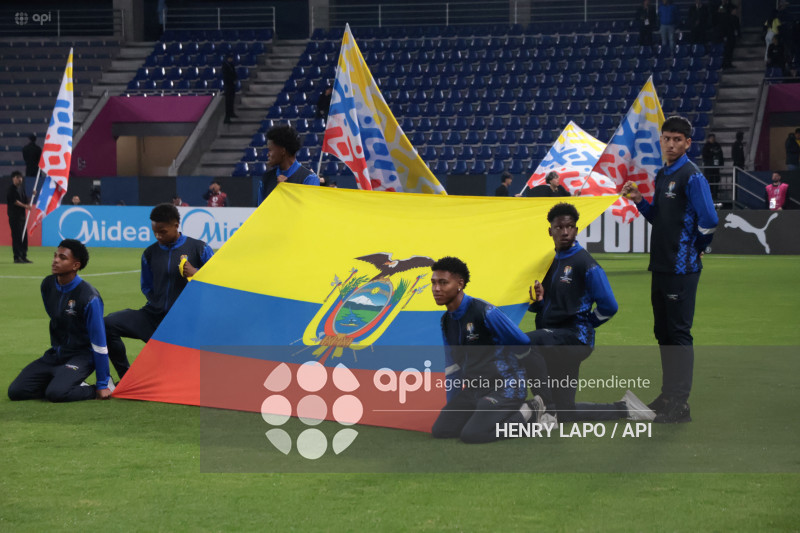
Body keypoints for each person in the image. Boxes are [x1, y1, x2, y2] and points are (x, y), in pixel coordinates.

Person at [622, 115, 719, 424]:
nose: (671, 144)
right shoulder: (663, 174)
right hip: (661, 266)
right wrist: (640, 201)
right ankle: (667, 396)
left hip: (682, 269)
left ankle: (679, 404)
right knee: (663, 333)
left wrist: (698, 246)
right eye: (667, 138)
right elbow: (660, 219)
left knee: (678, 334)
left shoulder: (692, 176)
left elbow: (710, 219)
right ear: (660, 140)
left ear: (688, 143)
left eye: (678, 139)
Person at [521, 203, 654, 423]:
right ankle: (624, 409)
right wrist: (539, 302)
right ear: (550, 231)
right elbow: (544, 304)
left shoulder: (585, 263)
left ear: (576, 229)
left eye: (570, 227)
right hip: (553, 340)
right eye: (559, 227)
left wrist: (586, 323)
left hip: (573, 339)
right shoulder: (549, 262)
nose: (565, 232)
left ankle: (545, 407)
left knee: (524, 342)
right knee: (566, 412)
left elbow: (609, 305)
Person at [429, 256, 544, 444]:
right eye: (433, 283)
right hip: (475, 390)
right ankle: (485, 415)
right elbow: (452, 369)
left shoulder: (485, 311)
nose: (436, 289)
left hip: (505, 387)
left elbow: (522, 342)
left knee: (472, 435)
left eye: (443, 283)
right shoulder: (446, 321)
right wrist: (453, 408)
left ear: (460, 284)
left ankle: (528, 412)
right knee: (441, 430)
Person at [104, 204, 213, 379]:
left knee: (176, 377)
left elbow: (219, 283)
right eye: (154, 232)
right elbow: (147, 287)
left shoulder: (199, 248)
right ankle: (125, 376)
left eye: (162, 232)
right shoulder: (150, 253)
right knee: (108, 324)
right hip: (153, 317)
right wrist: (158, 304)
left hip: (185, 324)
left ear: (176, 225)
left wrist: (197, 273)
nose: (158, 236)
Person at [8, 239, 113, 402]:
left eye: (62, 258)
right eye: (55, 255)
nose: (55, 260)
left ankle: (95, 387)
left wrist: (102, 384)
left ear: (75, 265)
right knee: (16, 391)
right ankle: (62, 380)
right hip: (56, 355)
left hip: (81, 356)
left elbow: (99, 342)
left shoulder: (89, 297)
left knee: (56, 394)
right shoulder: (47, 284)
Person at [258, 124, 320, 204]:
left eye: (270, 150)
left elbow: (309, 210)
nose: (268, 154)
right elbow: (262, 211)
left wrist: (284, 191)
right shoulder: (265, 180)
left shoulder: (309, 179)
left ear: (283, 151)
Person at [6, 170, 32, 264]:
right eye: (17, 177)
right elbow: (15, 201)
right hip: (14, 217)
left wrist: (32, 196)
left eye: (20, 177)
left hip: (22, 217)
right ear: (13, 179)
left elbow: (25, 200)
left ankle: (24, 256)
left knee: (24, 237)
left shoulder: (21, 189)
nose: (20, 179)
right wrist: (25, 206)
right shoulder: (11, 190)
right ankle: (17, 257)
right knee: (17, 237)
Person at [702, 133, 723, 199]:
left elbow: (721, 155)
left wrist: (721, 163)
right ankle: (709, 195)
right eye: (711, 138)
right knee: (709, 181)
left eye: (713, 138)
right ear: (708, 139)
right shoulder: (706, 146)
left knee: (716, 181)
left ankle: (715, 194)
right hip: (709, 168)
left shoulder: (717, 145)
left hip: (716, 168)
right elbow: (705, 155)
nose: (713, 139)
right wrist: (712, 153)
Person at [221, 54, 238, 124]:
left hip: (232, 85)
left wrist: (235, 79)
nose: (231, 59)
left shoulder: (231, 65)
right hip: (228, 85)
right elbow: (226, 76)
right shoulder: (225, 66)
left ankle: (231, 112)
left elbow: (234, 73)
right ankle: (227, 117)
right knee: (228, 102)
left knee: (232, 100)